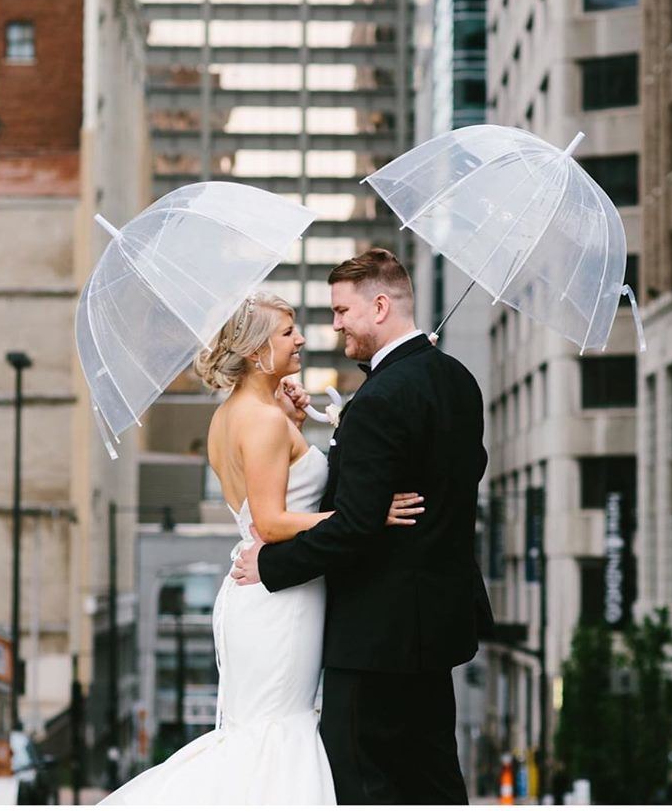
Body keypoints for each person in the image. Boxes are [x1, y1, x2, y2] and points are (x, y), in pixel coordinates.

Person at [100, 291, 421, 805]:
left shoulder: (233, 415)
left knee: (259, 734)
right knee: (277, 734)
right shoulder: (264, 419)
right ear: (255, 352)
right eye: (287, 331)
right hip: (280, 598)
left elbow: (264, 495)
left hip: (255, 593)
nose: (299, 339)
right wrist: (366, 515)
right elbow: (270, 522)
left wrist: (294, 425)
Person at [234, 248, 492, 804]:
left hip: (375, 637)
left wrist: (269, 563)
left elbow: (354, 527)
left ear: (379, 306)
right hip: (437, 630)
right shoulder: (458, 381)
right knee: (433, 781)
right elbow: (467, 470)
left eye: (341, 311)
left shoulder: (382, 397)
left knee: (359, 784)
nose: (334, 325)